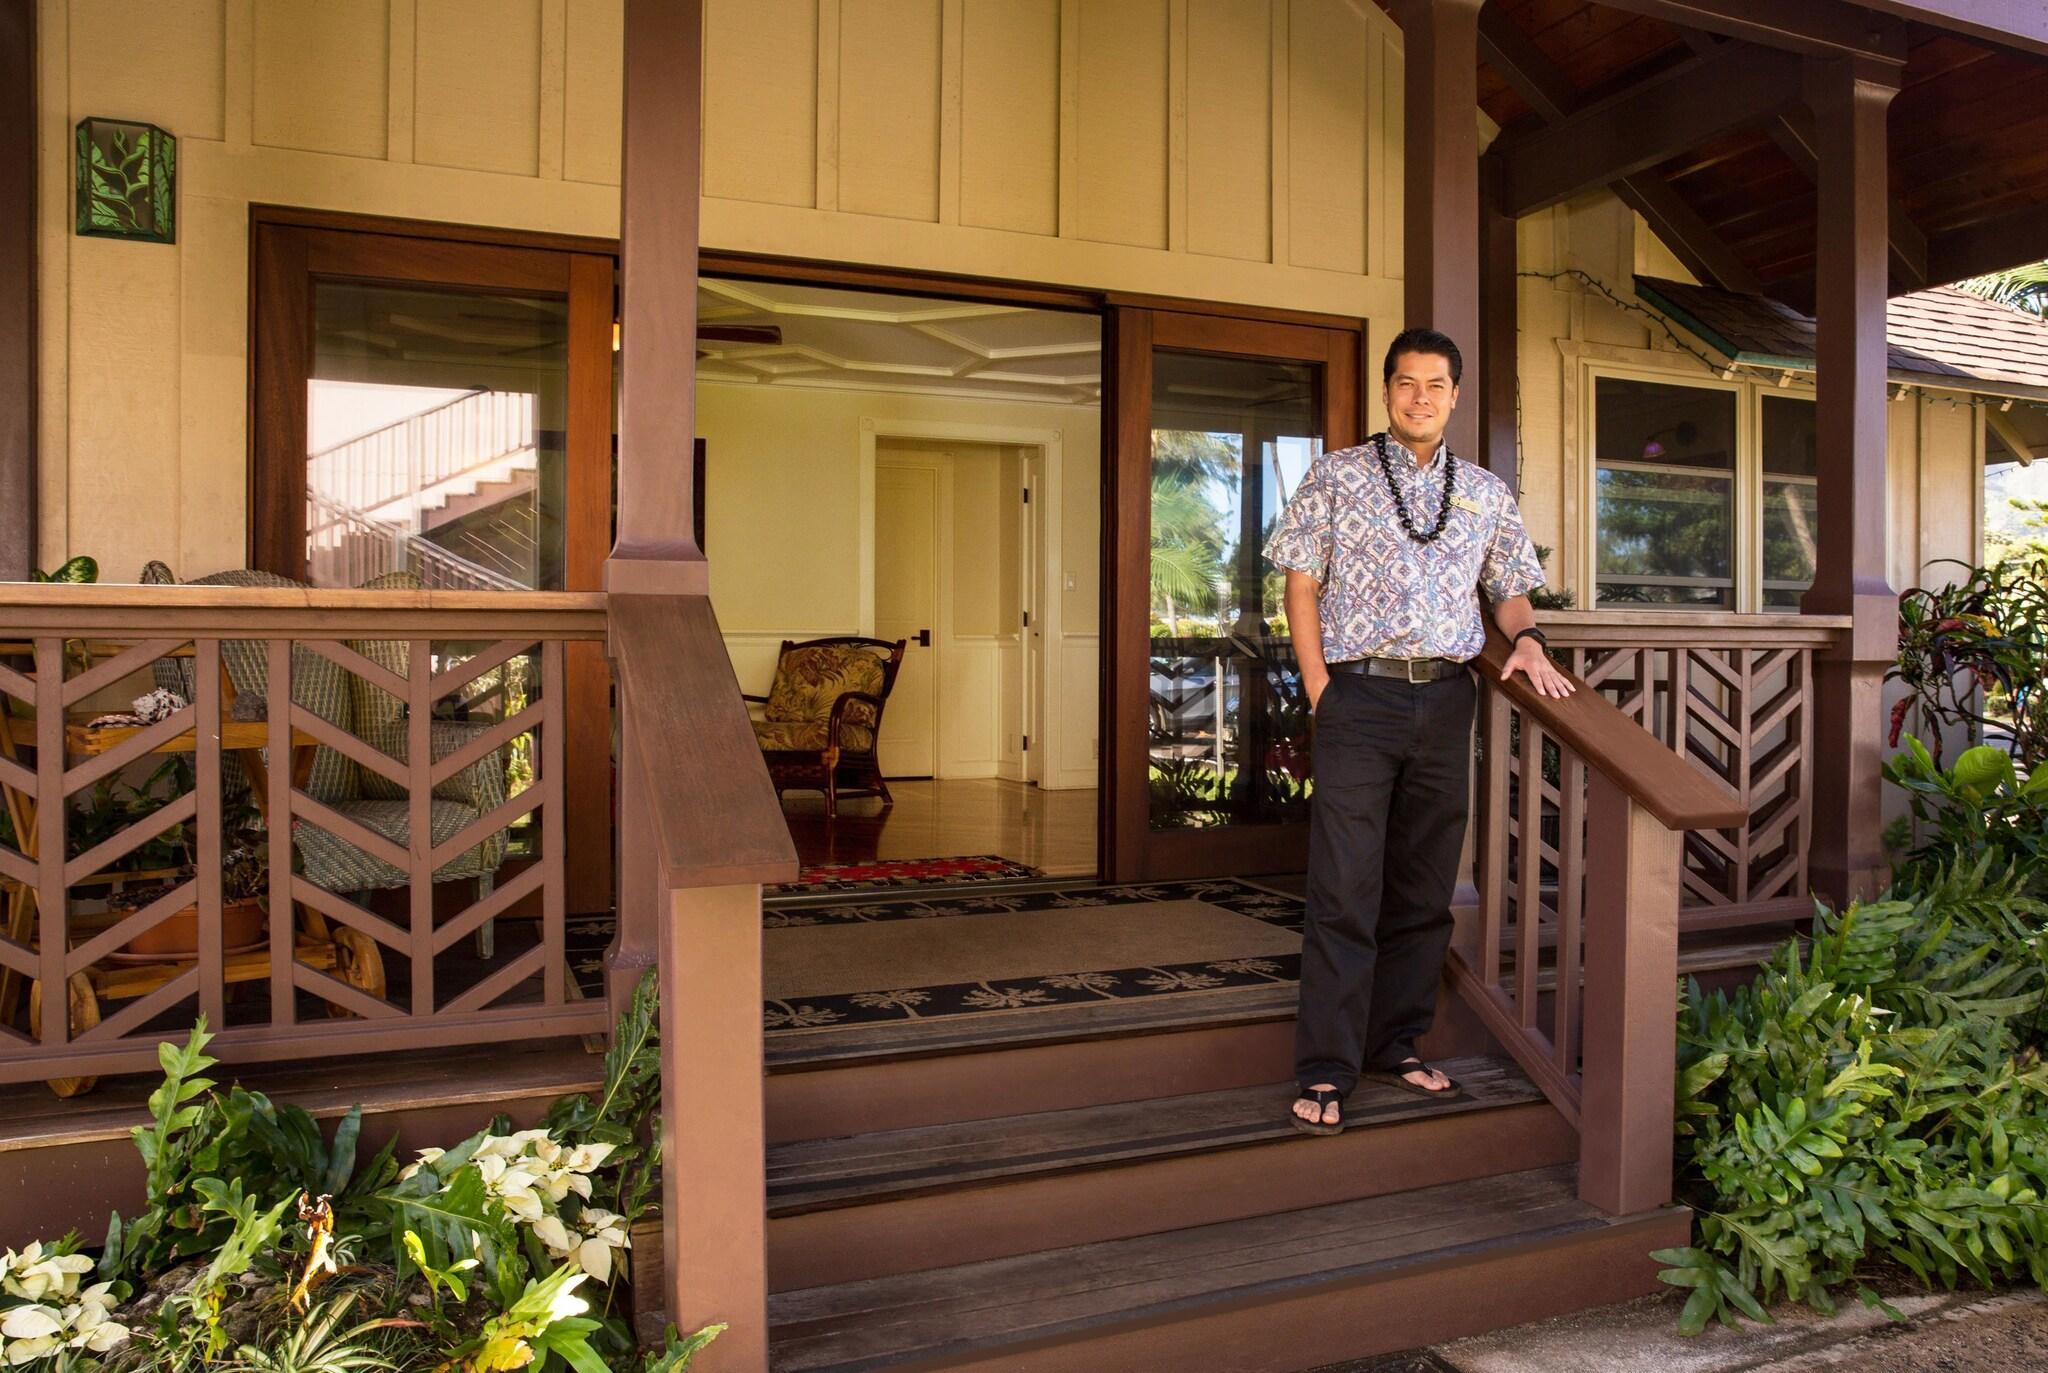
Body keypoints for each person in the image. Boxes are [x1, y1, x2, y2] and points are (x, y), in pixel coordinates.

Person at [1263, 326, 1573, 1135]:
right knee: (1344, 885)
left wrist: (1530, 638)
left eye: (1435, 384)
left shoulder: (1485, 492)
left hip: (1444, 701)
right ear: (1388, 389)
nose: (1420, 397)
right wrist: (1321, 687)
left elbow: (1508, 590)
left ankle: (1395, 1042)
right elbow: (1301, 586)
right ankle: (1328, 1068)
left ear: (1455, 395)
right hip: (1358, 698)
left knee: (1425, 885)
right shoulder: (1335, 477)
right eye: (1406, 383)